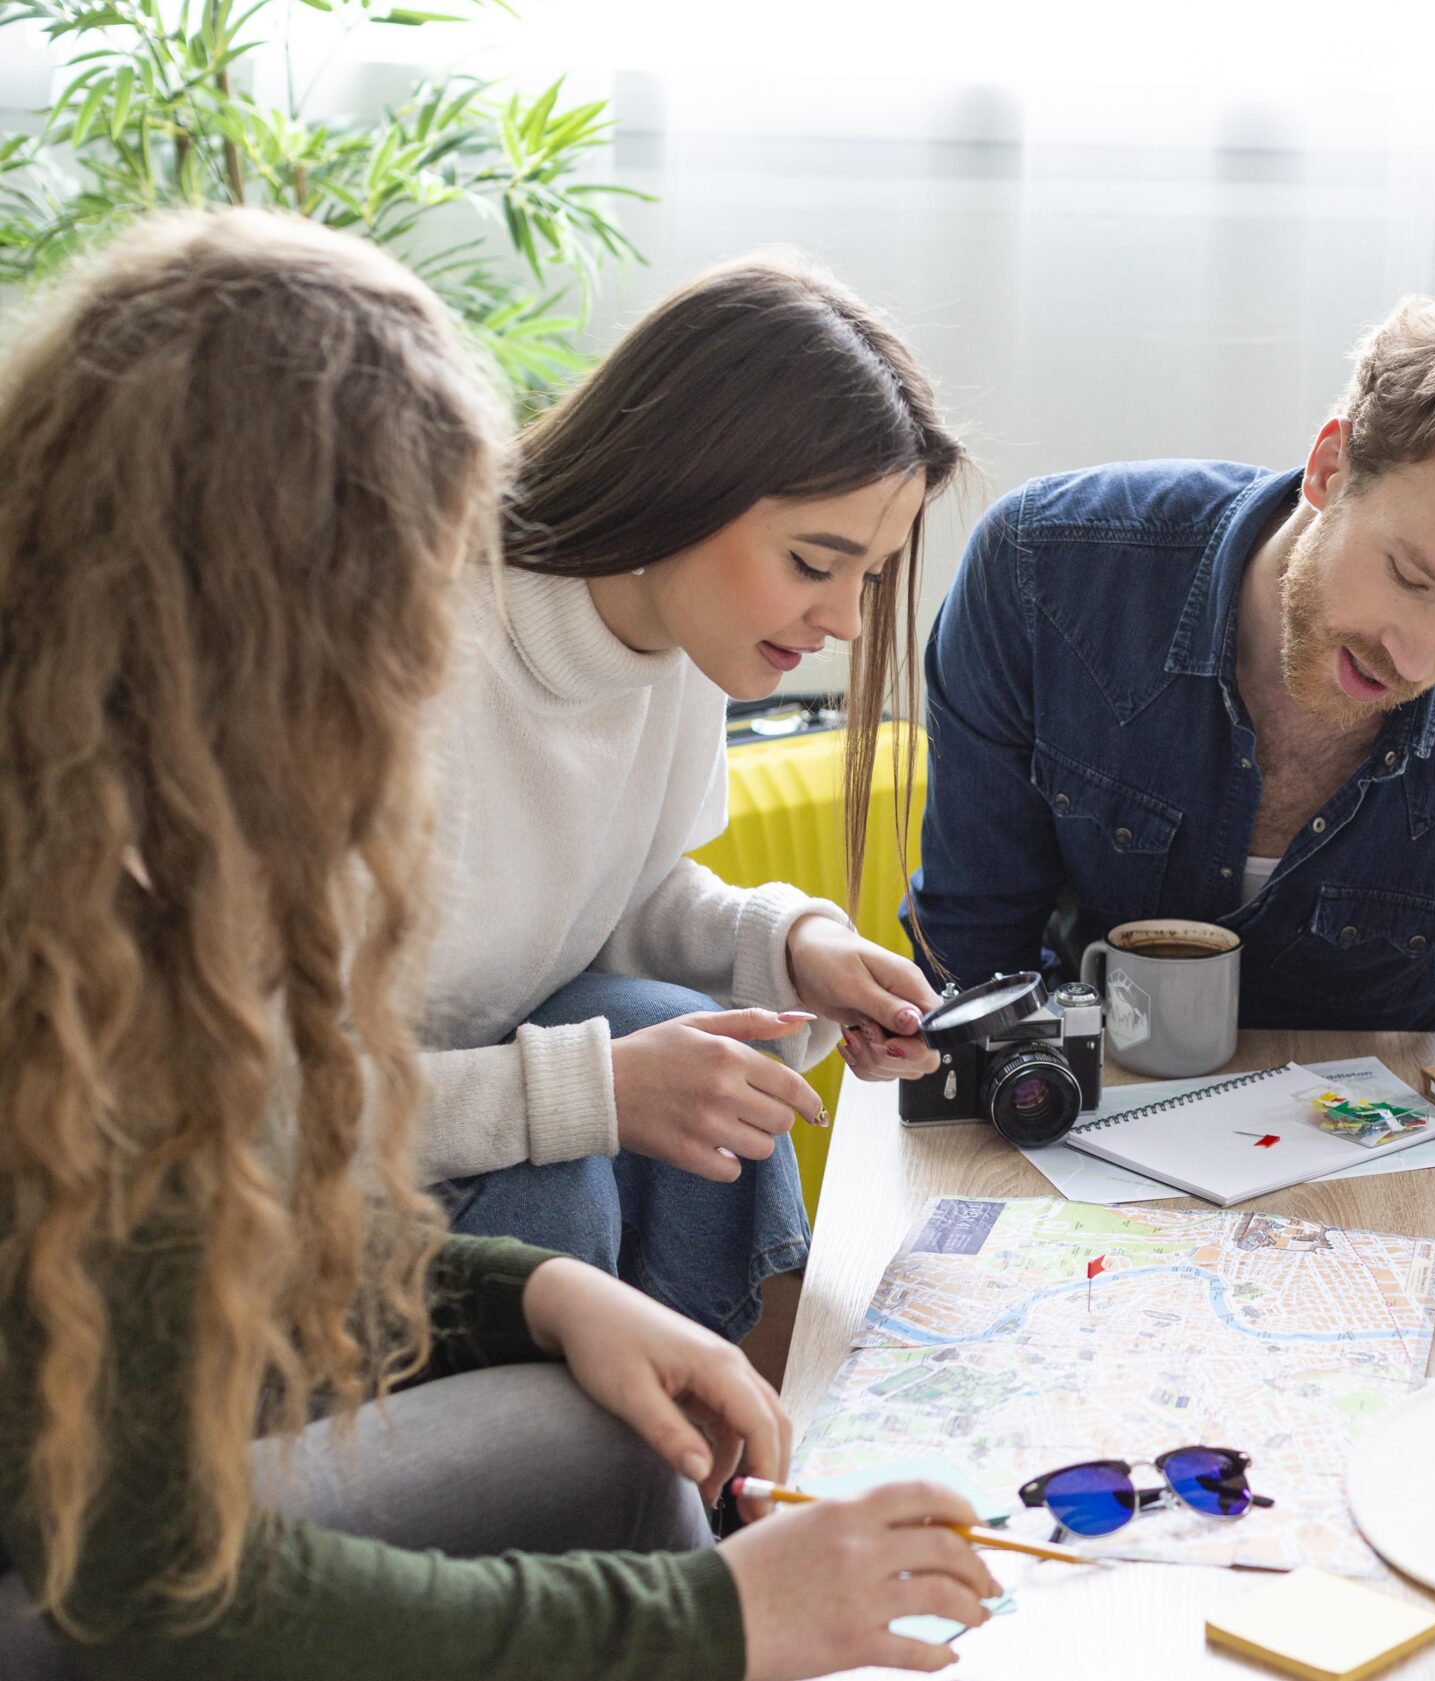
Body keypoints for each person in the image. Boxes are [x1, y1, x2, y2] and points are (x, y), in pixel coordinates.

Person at [0, 211, 998, 1679]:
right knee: (599, 1382)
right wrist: (710, 1623)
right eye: (404, 611)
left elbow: (182, 1240)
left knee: (603, 1390)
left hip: (123, 1442)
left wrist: (526, 1291)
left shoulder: (117, 841)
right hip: (83, 1574)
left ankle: (740, 1475)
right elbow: (161, 1581)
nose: (418, 670)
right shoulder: (95, 926)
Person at [418, 253, 964, 1373]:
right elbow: (250, 1110)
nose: (848, 624)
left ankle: (748, 1460)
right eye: (818, 563)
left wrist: (788, 945)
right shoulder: (420, 662)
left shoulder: (681, 645)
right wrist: (592, 1091)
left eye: (869, 578)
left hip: (455, 1105)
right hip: (297, 1188)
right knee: (570, 1164)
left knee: (684, 1039)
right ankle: (632, 1512)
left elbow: (606, 886)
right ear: (682, 478)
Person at [905, 274, 1435, 1032]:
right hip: (1089, 1096)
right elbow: (972, 963)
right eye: (1409, 577)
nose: (1415, 658)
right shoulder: (1044, 577)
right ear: (1330, 468)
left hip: (1389, 1130)